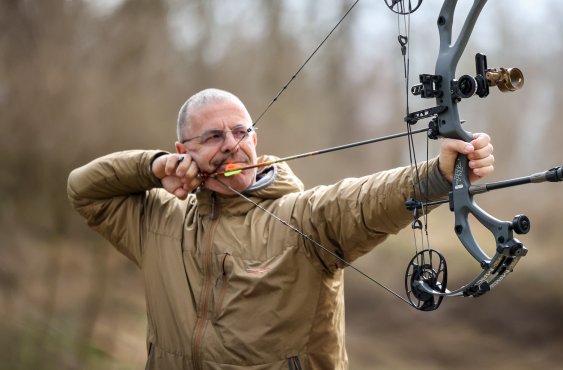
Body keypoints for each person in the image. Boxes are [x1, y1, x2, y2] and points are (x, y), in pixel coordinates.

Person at [67, 88, 495, 370]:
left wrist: (438, 176)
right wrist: (152, 166)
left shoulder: (303, 217)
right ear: (185, 151)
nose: (233, 144)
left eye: (241, 131)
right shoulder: (158, 219)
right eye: (214, 136)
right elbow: (83, 189)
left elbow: (363, 202)